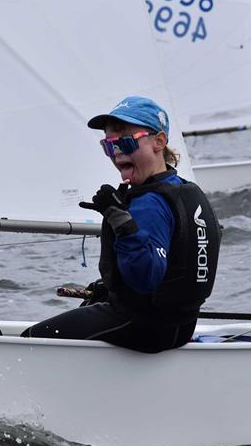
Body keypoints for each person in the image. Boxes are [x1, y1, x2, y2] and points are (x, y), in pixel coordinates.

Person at [21, 96, 221, 353]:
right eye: (109, 145)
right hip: (180, 327)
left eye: (126, 142)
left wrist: (120, 221)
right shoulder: (182, 189)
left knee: (30, 341)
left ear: (159, 141)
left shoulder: (149, 203)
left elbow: (146, 278)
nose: (117, 152)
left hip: (143, 327)